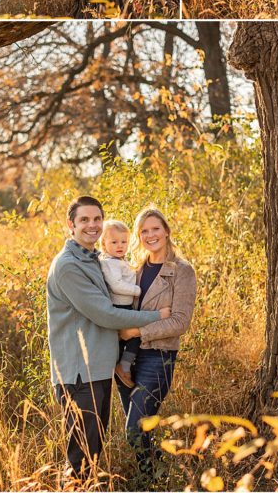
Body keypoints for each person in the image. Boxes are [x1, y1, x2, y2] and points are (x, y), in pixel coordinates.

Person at [46, 196, 170, 483]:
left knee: (93, 451)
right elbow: (106, 314)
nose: (92, 225)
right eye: (84, 220)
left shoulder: (95, 260)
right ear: (70, 225)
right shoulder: (68, 266)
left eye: (97, 219)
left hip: (99, 369)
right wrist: (155, 316)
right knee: (81, 457)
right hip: (79, 373)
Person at [116, 206, 197, 479]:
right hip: (127, 357)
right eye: (144, 231)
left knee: (135, 428)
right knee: (140, 430)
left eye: (155, 229)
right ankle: (157, 478)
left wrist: (137, 331)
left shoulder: (182, 271)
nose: (151, 235)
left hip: (158, 358)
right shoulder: (134, 270)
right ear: (139, 236)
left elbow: (179, 322)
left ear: (166, 231)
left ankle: (150, 480)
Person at [98, 219, 142, 389]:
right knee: (136, 334)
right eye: (114, 242)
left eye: (124, 242)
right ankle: (123, 366)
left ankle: (121, 365)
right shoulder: (109, 263)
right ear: (104, 243)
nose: (120, 245)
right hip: (119, 307)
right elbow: (116, 285)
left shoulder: (119, 261)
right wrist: (137, 290)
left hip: (125, 306)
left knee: (125, 338)